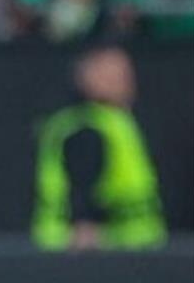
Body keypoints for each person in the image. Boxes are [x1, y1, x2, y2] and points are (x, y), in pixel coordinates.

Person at [33, 47, 166, 251]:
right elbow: (81, 188)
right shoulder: (86, 127)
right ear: (87, 78)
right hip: (97, 253)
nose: (125, 82)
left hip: (132, 249)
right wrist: (84, 231)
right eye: (113, 76)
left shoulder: (117, 121)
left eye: (125, 74)